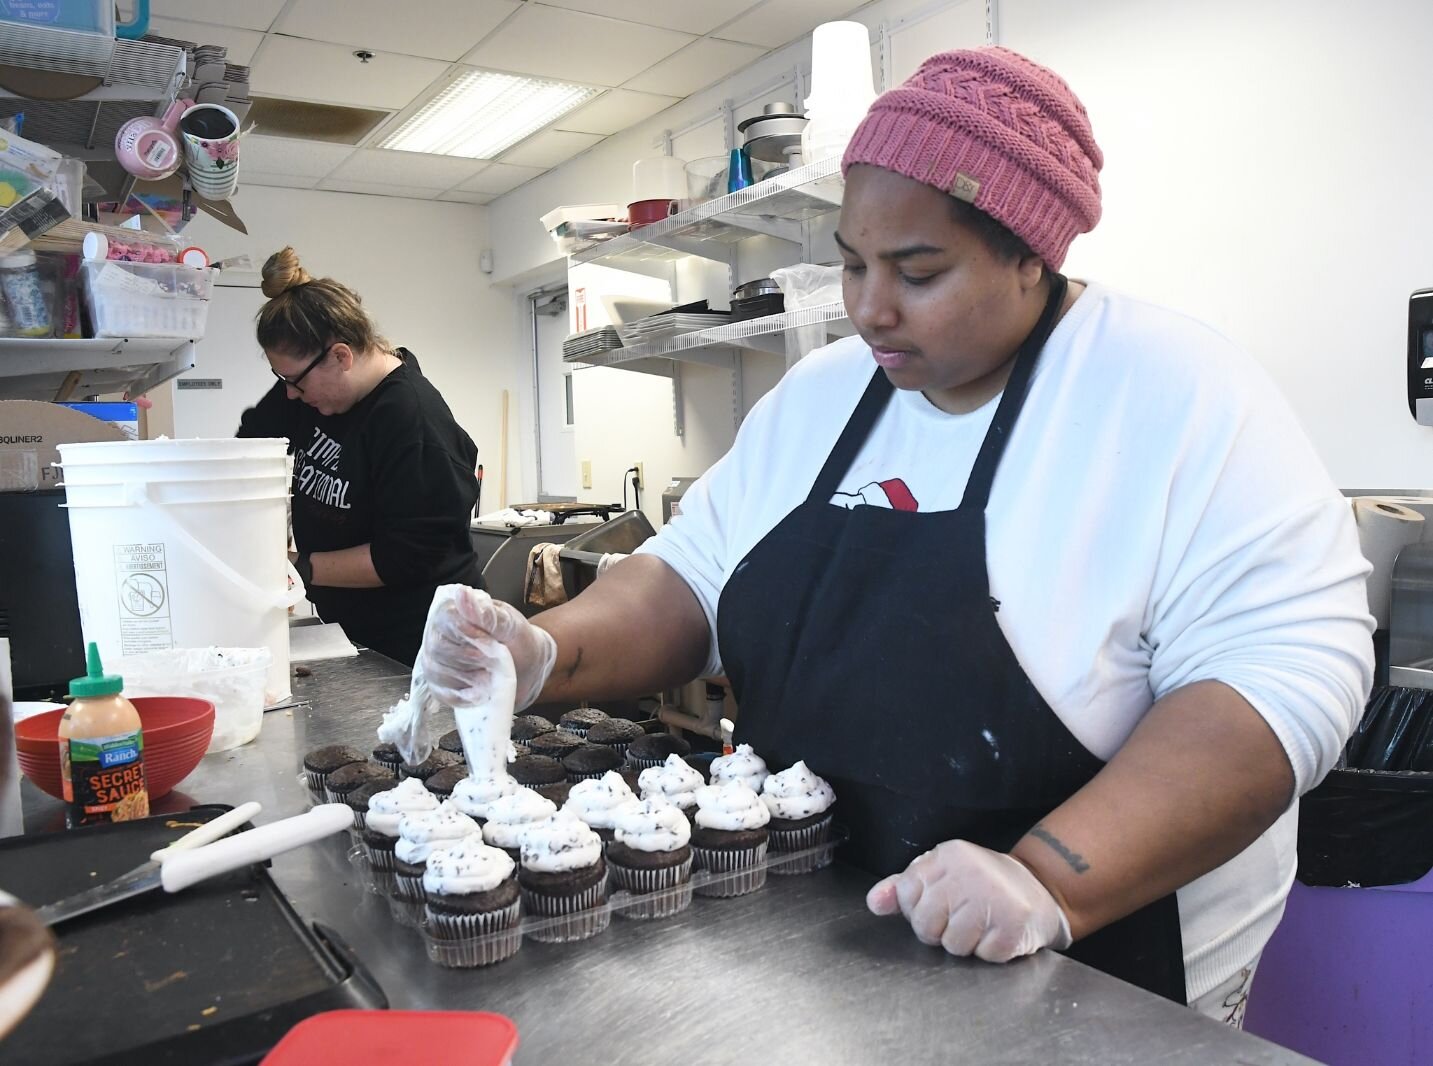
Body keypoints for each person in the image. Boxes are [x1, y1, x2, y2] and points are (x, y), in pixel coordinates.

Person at [415, 48, 1373, 1019]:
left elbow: (1280, 674)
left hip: (1098, 965)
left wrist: (1048, 879)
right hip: (821, 941)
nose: (868, 308)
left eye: (917, 271)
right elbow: (694, 572)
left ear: (1029, 253)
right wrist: (545, 651)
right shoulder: (819, 400)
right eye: (850, 263)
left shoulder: (1173, 396)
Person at [237, 247, 482, 666]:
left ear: (340, 356)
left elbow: (403, 557)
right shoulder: (310, 390)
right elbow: (251, 443)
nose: (290, 394)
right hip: (358, 633)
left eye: (294, 381)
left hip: (427, 644)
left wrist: (298, 568)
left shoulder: (414, 423)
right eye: (282, 381)